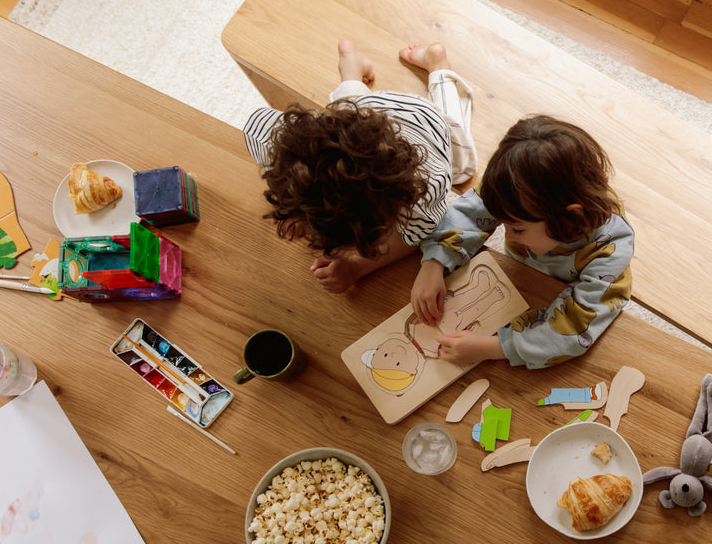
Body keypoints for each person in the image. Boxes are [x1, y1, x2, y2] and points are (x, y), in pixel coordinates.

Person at [243, 40, 478, 293]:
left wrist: (357, 267)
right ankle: (351, 63)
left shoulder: (426, 191)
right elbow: (254, 126)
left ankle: (438, 68)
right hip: (365, 114)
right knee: (349, 104)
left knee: (464, 171)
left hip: (425, 120)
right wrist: (295, 207)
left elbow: (413, 237)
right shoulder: (294, 138)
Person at [411, 114, 633, 370]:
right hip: (522, 279)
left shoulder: (610, 252)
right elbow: (469, 213)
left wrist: (492, 348)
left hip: (563, 295)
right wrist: (433, 263)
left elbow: (574, 330)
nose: (505, 236)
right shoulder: (515, 188)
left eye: (517, 229)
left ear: (569, 218)